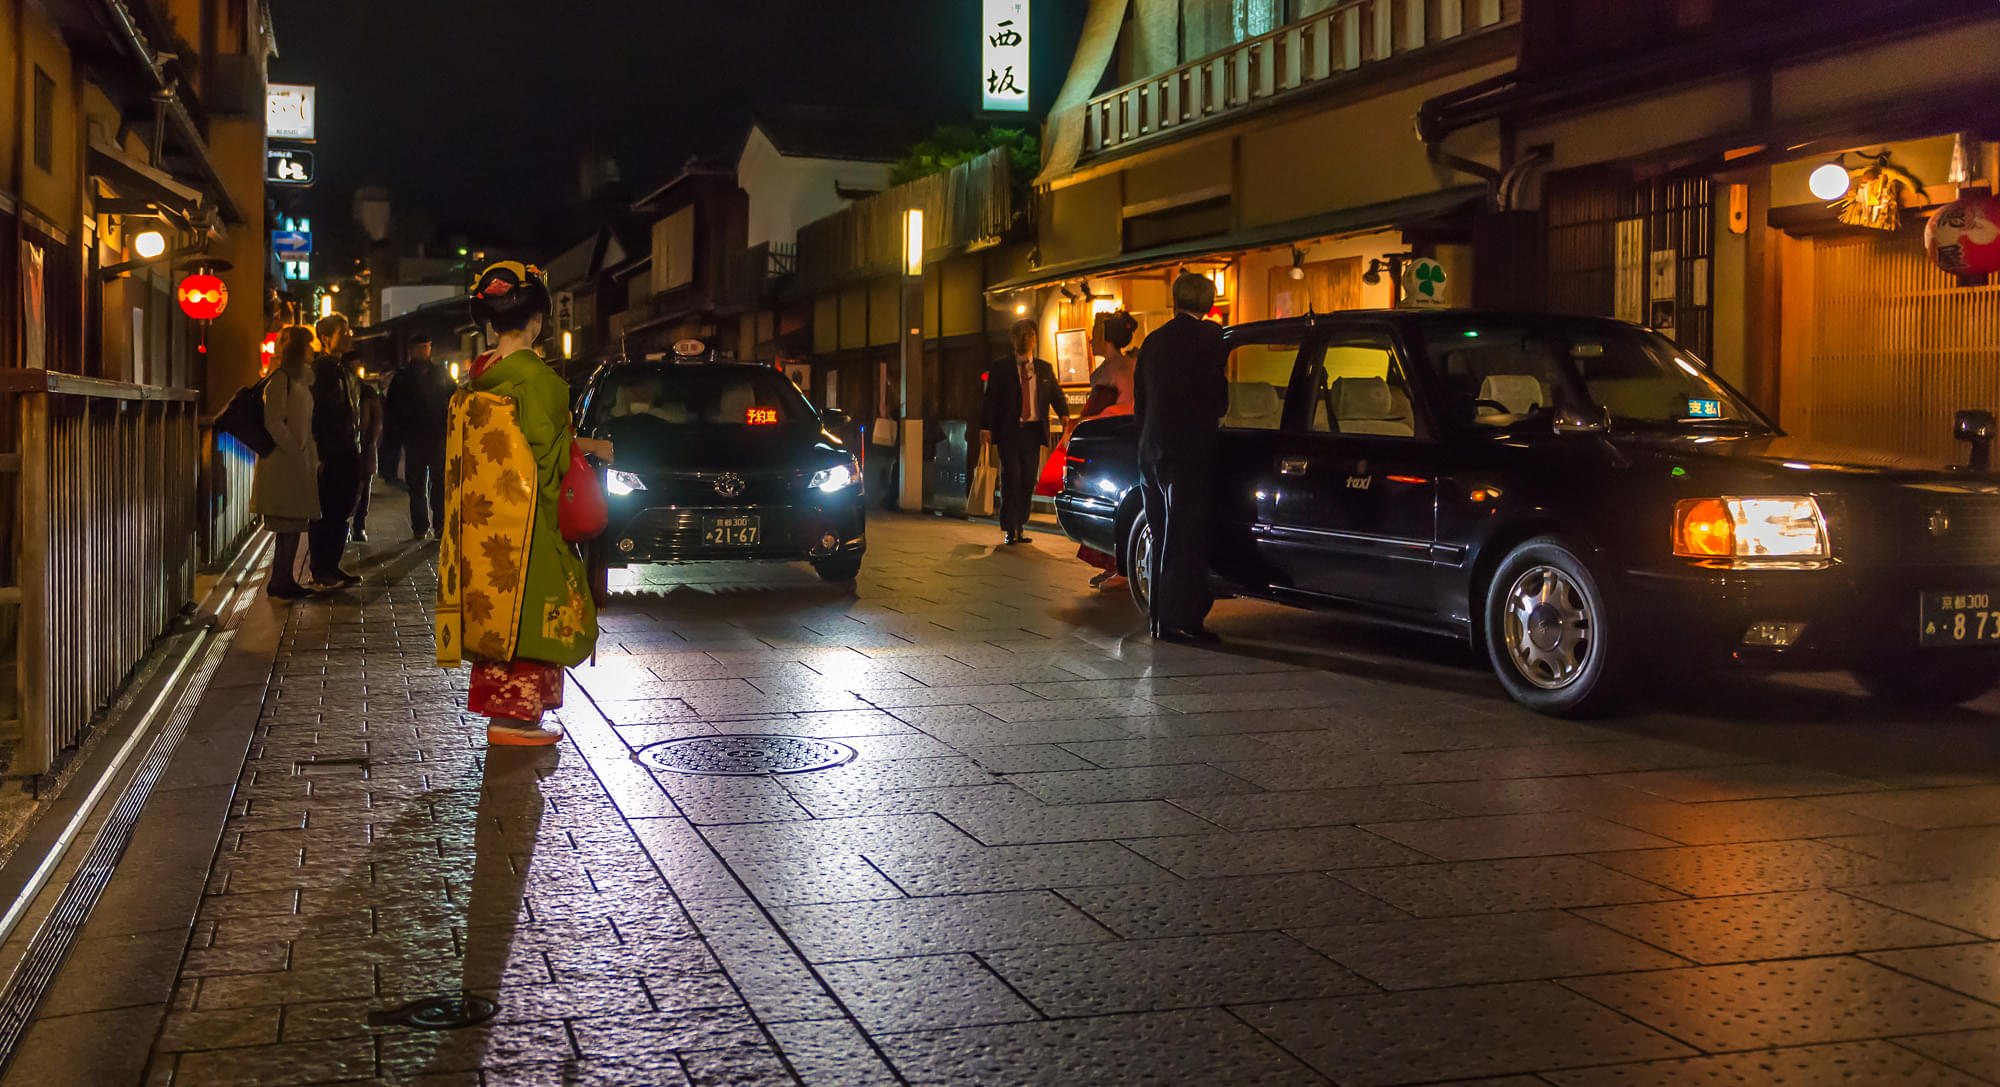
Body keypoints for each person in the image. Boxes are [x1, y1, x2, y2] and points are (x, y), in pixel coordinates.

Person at [436, 261, 613, 746]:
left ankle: (503, 715)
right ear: (537, 320)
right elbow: (549, 462)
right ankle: (515, 720)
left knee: (497, 616)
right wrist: (588, 448)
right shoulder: (541, 382)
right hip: (529, 526)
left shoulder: (478, 377)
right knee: (533, 614)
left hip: (483, 527)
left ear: (488, 323)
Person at [1133, 273, 1228, 643]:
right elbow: (1219, 401)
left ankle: (1158, 617)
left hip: (1151, 449)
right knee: (1186, 536)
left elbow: (1142, 403)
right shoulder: (1211, 339)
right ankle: (1182, 620)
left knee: (1160, 532)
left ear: (1175, 301)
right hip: (1190, 450)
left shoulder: (1153, 341)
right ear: (1209, 302)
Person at [979, 318, 1068, 545]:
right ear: (1012, 338)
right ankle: (1010, 527)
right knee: (1012, 477)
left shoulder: (1043, 368)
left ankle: (1020, 522)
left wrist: (1064, 414)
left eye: (1029, 334)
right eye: (1020, 334)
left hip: (1033, 431)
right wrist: (985, 427)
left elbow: (1055, 394)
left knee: (1028, 478)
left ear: (1036, 339)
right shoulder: (1001, 368)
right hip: (1010, 431)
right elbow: (990, 400)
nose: (1025, 338)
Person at [251, 327, 321, 600]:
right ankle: (281, 579)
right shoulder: (280, 380)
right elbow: (273, 421)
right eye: (307, 347)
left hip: (296, 463)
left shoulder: (299, 380)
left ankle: (284, 578)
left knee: (292, 525)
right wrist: (295, 447)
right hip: (284, 464)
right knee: (287, 524)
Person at [1079, 310, 1139, 588]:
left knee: (1112, 501)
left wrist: (1094, 419)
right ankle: (1108, 563)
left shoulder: (1125, 368)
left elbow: (1127, 406)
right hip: (1101, 437)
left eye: (1094, 336)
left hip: (1115, 439)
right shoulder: (1114, 366)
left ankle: (1120, 567)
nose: (1091, 341)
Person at [308, 313, 361, 587]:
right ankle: (321, 569)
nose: (350, 334)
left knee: (341, 507)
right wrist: (320, 453)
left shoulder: (341, 369)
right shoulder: (322, 371)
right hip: (331, 450)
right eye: (344, 330)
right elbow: (318, 415)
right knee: (327, 509)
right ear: (326, 338)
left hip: (346, 447)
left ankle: (332, 564)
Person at [388, 331, 453, 539]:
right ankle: (419, 526)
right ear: (411, 352)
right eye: (417, 349)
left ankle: (440, 523)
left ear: (430, 349)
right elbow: (392, 407)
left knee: (439, 481)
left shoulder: (441, 374)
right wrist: (400, 430)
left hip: (437, 435)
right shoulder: (402, 378)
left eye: (425, 348)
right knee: (415, 484)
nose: (421, 352)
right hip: (413, 436)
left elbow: (454, 397)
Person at [351, 352, 383, 542]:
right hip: (347, 445)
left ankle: (359, 524)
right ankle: (352, 524)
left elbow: (377, 420)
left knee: (364, 486)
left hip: (364, 445)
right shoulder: (343, 388)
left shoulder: (366, 392)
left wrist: (371, 442)